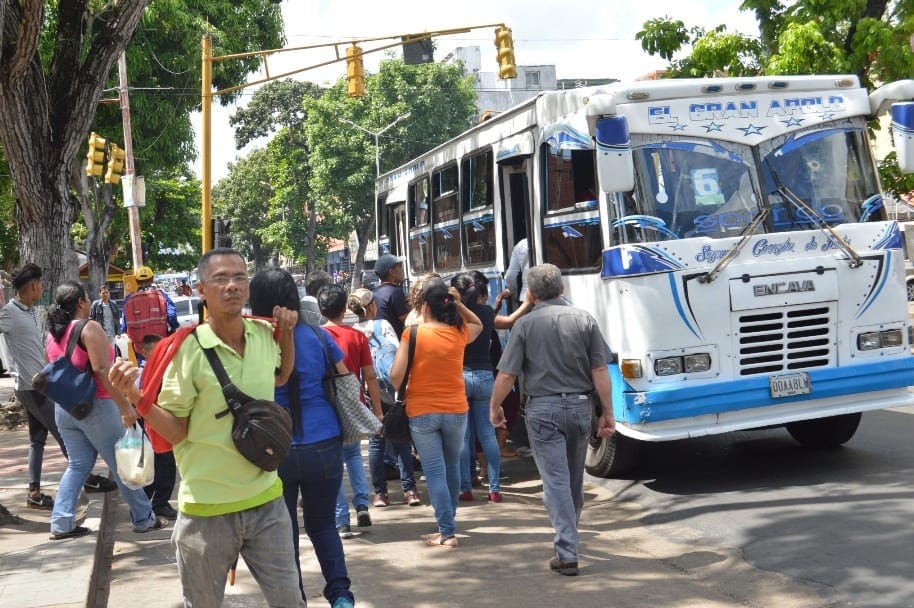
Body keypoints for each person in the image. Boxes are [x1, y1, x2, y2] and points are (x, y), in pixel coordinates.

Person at [108, 248, 302, 607]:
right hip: (206, 513)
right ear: (201, 289)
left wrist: (287, 333)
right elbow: (176, 432)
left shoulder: (262, 334)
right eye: (221, 279)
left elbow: (281, 375)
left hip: (268, 505)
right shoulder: (188, 351)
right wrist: (134, 395)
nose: (232, 285)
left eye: (239, 277)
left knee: (291, 601)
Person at [489, 263, 616, 576]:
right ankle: (569, 541)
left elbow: (507, 374)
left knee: (556, 481)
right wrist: (608, 413)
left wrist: (494, 406)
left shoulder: (525, 325)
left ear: (530, 295)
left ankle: (567, 550)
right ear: (561, 289)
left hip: (543, 410)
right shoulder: (584, 319)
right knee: (573, 480)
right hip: (580, 407)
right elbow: (600, 370)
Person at [248, 268, 355, 608]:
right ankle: (340, 595)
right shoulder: (319, 336)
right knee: (323, 525)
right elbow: (343, 377)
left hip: (274, 448)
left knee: (285, 530)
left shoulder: (251, 342)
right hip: (324, 441)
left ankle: (295, 600)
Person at [45, 281, 166, 540]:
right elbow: (101, 370)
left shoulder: (54, 333)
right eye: (87, 297)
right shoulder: (89, 327)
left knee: (78, 465)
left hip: (65, 408)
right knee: (122, 463)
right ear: (80, 302)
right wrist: (124, 406)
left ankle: (61, 521)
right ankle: (144, 518)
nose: (89, 302)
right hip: (96, 407)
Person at [0, 264, 116, 512]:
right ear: (33, 285)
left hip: (38, 383)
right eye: (40, 284)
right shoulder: (9, 313)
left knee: (37, 440)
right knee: (65, 433)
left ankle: (34, 492)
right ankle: (87, 479)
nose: (42, 289)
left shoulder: (29, 311)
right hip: (32, 386)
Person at [390, 278, 482, 548]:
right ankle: (448, 521)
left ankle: (447, 532)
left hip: (422, 411)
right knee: (452, 466)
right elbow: (479, 324)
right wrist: (460, 304)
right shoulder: (459, 331)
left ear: (423, 307)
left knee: (434, 471)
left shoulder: (413, 334)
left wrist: (404, 386)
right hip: (456, 409)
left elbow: (396, 375)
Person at [451, 271, 533, 503]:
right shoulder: (487, 313)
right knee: (488, 435)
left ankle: (465, 488)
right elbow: (508, 322)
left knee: (464, 438)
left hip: (460, 377)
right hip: (486, 377)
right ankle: (495, 489)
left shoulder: (451, 315)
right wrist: (526, 303)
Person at [347, 288, 421, 509]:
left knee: (375, 445)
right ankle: (410, 490)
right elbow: (398, 357)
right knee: (400, 441)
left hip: (368, 396)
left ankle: (380, 494)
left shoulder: (353, 331)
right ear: (371, 307)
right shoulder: (383, 325)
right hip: (391, 393)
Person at [318, 285, 383, 538]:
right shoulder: (357, 337)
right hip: (353, 405)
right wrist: (377, 411)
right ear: (345, 309)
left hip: (325, 409)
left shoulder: (317, 337)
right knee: (354, 456)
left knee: (333, 464)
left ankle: (341, 520)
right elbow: (370, 376)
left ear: (321, 310)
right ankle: (362, 506)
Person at [136, 333, 178, 520]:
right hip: (156, 426)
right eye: (156, 350)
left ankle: (143, 504)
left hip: (160, 424)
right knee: (165, 467)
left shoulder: (160, 369)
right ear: (144, 352)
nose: (161, 353)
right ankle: (158, 503)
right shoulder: (145, 372)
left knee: (156, 468)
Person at [120, 265, 179, 360]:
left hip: (140, 350)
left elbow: (124, 327)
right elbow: (172, 316)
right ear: (152, 279)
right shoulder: (162, 296)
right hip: (160, 346)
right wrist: (172, 329)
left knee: (144, 373)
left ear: (136, 281)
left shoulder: (128, 300)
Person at [372, 254, 410, 337]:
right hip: (395, 344)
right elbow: (408, 320)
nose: (402, 270)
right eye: (399, 266)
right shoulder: (395, 292)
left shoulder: (375, 292)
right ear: (392, 272)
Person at [504, 238, 529, 302]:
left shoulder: (521, 245)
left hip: (526, 296)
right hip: (553, 296)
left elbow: (510, 276)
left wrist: (511, 289)